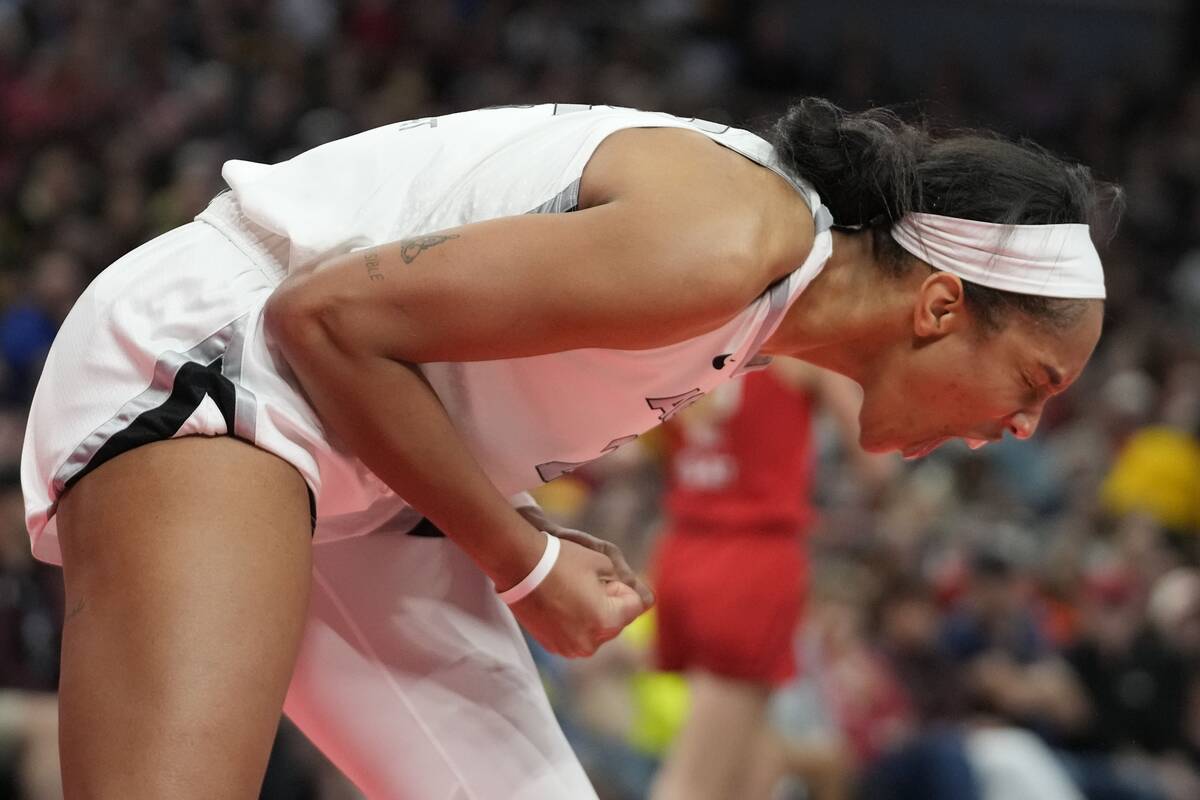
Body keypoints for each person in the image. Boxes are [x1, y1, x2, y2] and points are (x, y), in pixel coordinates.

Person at [21, 99, 1110, 798]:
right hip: (225, 356)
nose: (1023, 428)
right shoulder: (726, 239)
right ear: (937, 304)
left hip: (362, 458)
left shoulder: (766, 306)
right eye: (1034, 383)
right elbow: (322, 321)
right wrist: (522, 561)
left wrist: (516, 524)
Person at [649, 359, 891, 800]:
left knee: (751, 767)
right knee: (693, 782)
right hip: (752, 557)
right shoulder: (799, 349)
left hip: (683, 546)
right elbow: (877, 456)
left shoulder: (692, 331)